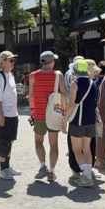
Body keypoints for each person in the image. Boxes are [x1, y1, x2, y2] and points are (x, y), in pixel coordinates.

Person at [28, 51, 67, 181]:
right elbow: (62, 95)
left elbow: (31, 95)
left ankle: (42, 166)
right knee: (54, 144)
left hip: (38, 113)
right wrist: (64, 112)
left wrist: (32, 111)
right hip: (54, 114)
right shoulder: (58, 75)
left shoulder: (33, 75)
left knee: (38, 141)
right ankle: (52, 171)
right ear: (51, 63)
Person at [62, 59, 98, 187]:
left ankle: (87, 176)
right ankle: (88, 175)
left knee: (76, 149)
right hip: (91, 121)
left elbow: (71, 104)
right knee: (86, 149)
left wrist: (64, 121)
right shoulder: (92, 82)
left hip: (78, 120)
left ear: (75, 70)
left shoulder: (75, 84)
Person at [0, 51, 21, 180]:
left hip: (13, 114)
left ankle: (7, 167)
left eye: (13, 60)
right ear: (3, 62)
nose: (13, 63)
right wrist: (1, 116)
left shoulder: (10, 75)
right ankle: (2, 170)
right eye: (11, 60)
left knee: (10, 142)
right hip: (5, 115)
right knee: (3, 142)